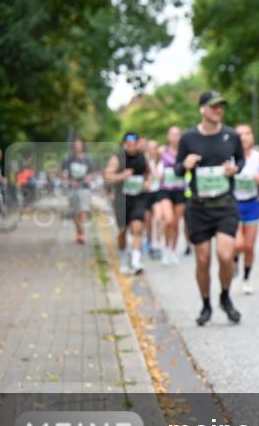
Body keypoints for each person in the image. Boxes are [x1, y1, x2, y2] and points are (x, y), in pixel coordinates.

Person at [175, 91, 244, 325]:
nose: (218, 110)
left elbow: (241, 161)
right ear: (202, 109)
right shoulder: (188, 138)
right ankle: (206, 304)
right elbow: (176, 168)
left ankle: (225, 296)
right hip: (199, 207)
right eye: (213, 106)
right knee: (202, 260)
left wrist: (235, 170)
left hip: (225, 205)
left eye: (221, 107)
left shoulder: (232, 136)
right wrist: (184, 165)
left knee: (226, 256)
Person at [233, 123, 259, 294]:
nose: (244, 137)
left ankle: (246, 278)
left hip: (252, 204)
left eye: (247, 133)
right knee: (238, 244)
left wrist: (258, 178)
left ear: (252, 136)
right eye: (240, 134)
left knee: (249, 246)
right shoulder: (229, 157)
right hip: (232, 204)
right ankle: (234, 261)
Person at [103, 133, 150, 274]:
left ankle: (136, 262)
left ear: (137, 143)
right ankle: (124, 257)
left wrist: (148, 182)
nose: (130, 146)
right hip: (122, 200)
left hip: (138, 198)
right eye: (127, 143)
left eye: (133, 143)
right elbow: (108, 176)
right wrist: (122, 175)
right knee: (122, 232)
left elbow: (149, 173)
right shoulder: (117, 158)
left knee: (137, 228)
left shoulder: (142, 157)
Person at [155, 126, 187, 265]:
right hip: (165, 190)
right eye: (172, 134)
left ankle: (172, 250)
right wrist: (159, 173)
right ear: (168, 136)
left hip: (180, 190)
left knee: (175, 223)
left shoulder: (185, 153)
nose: (174, 137)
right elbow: (155, 167)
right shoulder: (162, 151)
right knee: (168, 220)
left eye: (177, 134)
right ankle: (166, 249)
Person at [61, 138, 96, 244]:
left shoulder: (88, 159)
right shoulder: (68, 159)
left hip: (85, 188)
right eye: (76, 144)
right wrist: (69, 181)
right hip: (73, 189)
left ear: (82, 146)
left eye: (79, 144)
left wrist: (89, 177)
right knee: (75, 212)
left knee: (83, 210)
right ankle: (79, 231)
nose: (77, 146)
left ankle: (82, 234)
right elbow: (61, 172)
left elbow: (94, 172)